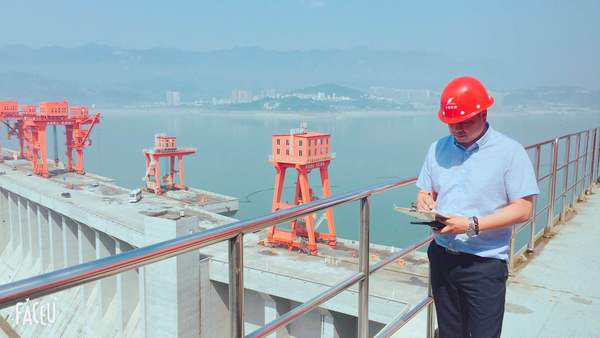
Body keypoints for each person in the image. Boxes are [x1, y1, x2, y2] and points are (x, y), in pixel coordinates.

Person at [416, 76, 539, 338]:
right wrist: (424, 199)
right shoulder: (437, 148)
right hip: (442, 255)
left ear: (483, 113)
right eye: (452, 123)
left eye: (465, 121)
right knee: (450, 334)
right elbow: (425, 190)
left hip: (484, 263)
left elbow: (524, 208)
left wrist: (471, 225)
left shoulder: (510, 152)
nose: (458, 128)